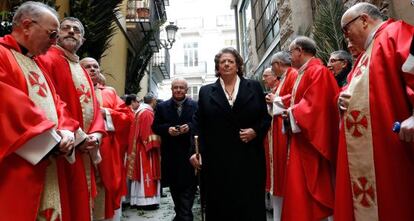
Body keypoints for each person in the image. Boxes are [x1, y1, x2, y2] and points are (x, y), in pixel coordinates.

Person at [0, 2, 79, 220]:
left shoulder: (36, 63)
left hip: (50, 160)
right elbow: (7, 104)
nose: (55, 42)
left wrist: (66, 130)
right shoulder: (2, 55)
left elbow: (57, 104)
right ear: (26, 25)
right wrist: (52, 140)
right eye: (52, 35)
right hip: (17, 165)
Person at [335, 3, 414, 221]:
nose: (345, 37)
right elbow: (351, 89)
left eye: (345, 29)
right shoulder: (363, 56)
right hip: (371, 157)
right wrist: (341, 100)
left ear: (363, 20)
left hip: (393, 151)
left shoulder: (396, 33)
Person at [190, 47, 271, 221]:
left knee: (250, 207)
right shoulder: (205, 92)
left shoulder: (254, 87)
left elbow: (265, 118)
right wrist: (194, 151)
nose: (226, 64)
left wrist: (255, 131)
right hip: (217, 162)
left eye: (230, 61)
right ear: (217, 67)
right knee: (220, 208)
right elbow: (198, 124)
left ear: (238, 66)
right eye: (222, 62)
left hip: (248, 158)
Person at [37, 17, 106, 221]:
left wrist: (95, 136)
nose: (71, 31)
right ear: (57, 35)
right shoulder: (46, 59)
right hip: (61, 147)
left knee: (80, 204)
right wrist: (79, 137)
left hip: (83, 150)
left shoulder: (82, 70)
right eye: (65, 28)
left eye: (76, 30)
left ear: (82, 40)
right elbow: (48, 103)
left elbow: (94, 107)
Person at [281, 36, 339, 221]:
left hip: (312, 143)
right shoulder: (304, 72)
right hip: (302, 138)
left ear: (300, 50)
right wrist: (290, 114)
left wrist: (291, 113)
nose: (290, 57)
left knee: (311, 190)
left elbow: (316, 106)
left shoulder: (317, 72)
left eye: (291, 52)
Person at [80, 57, 131, 220]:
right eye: (88, 67)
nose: (93, 69)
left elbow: (127, 117)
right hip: (80, 148)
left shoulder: (109, 92)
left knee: (103, 190)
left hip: (105, 151)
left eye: (96, 66)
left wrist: (106, 113)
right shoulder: (73, 89)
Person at [152, 78, 198, 221]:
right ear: (171, 89)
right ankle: (180, 214)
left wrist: (189, 127)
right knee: (175, 189)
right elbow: (155, 126)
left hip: (189, 153)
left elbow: (201, 124)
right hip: (170, 155)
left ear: (186, 90)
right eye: (175, 87)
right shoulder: (162, 107)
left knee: (188, 189)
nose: (178, 90)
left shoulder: (196, 106)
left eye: (181, 88)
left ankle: (185, 216)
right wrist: (168, 129)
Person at [264, 51, 297, 221]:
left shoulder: (293, 75)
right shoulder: (286, 77)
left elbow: (295, 97)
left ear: (277, 64)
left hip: (286, 136)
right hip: (278, 133)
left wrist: (275, 99)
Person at [126, 93, 161, 207]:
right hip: (146, 150)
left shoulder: (141, 111)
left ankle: (139, 200)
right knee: (146, 174)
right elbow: (147, 133)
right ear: (153, 101)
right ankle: (147, 201)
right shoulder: (147, 113)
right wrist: (158, 142)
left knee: (141, 175)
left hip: (140, 148)